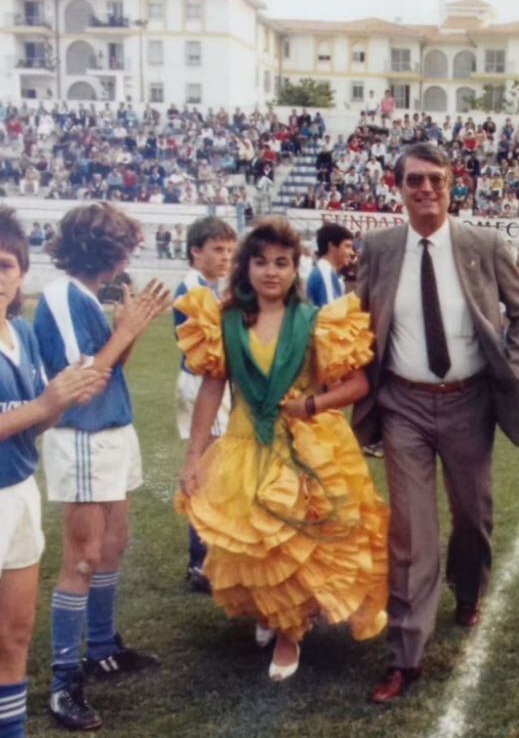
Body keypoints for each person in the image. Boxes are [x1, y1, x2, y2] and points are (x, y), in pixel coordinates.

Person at [352, 143, 519, 703]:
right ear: (399, 187)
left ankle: (469, 589)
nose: (425, 189)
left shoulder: (485, 244)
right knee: (411, 532)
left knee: (472, 516)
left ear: (452, 184)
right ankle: (406, 656)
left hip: (470, 403)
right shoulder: (379, 248)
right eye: (414, 180)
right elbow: (359, 324)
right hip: (402, 405)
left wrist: (512, 375)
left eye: (435, 179)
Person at [175, 217, 390, 682]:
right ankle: (269, 614)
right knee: (256, 541)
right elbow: (212, 388)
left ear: (296, 269)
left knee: (294, 540)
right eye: (260, 261)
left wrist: (311, 403)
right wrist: (194, 455)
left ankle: (290, 634)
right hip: (244, 443)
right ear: (245, 266)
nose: (271, 272)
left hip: (306, 442)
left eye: (281, 263)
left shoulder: (316, 322)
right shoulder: (225, 320)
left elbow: (356, 384)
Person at [33, 203, 172, 731]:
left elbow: (112, 369)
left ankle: (103, 646)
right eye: (124, 246)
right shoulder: (61, 295)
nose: (128, 256)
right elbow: (82, 381)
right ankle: (65, 679)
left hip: (112, 431)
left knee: (113, 543)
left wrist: (127, 331)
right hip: (83, 436)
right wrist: (126, 328)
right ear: (104, 249)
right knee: (84, 556)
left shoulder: (86, 296)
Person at [0, 208, 106, 738]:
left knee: (15, 635)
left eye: (4, 266)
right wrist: (45, 406)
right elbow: (37, 409)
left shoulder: (19, 331)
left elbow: (38, 416)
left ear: (21, 274)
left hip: (18, 493)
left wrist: (62, 400)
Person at [173, 217, 237, 593]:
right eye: (217, 250)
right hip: (201, 384)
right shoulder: (192, 288)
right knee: (206, 471)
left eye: (230, 250)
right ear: (196, 250)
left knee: (214, 470)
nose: (226, 257)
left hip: (207, 383)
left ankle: (206, 555)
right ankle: (200, 561)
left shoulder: (208, 287)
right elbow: (211, 345)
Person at [306, 223, 353, 307]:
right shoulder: (325, 273)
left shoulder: (327, 271)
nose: (351, 252)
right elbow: (332, 316)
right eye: (347, 246)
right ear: (331, 246)